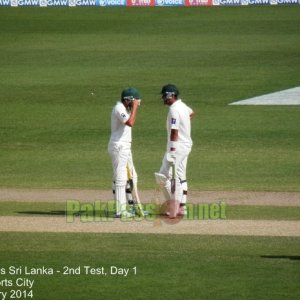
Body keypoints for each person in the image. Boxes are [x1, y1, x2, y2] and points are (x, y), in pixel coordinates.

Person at [155, 84, 194, 217]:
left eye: (164, 95)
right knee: (181, 175)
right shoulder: (182, 106)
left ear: (170, 95)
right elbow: (191, 113)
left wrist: (172, 150)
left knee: (163, 176)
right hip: (186, 145)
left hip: (177, 147)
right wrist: (185, 126)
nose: (162, 98)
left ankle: (173, 208)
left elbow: (174, 131)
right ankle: (182, 208)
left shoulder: (174, 110)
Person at [108, 87, 141, 218]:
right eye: (135, 101)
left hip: (125, 146)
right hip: (119, 146)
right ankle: (120, 211)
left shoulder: (125, 109)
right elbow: (130, 122)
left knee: (133, 175)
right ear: (128, 100)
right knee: (121, 177)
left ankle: (135, 207)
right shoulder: (119, 108)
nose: (138, 103)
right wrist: (135, 107)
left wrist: (133, 107)